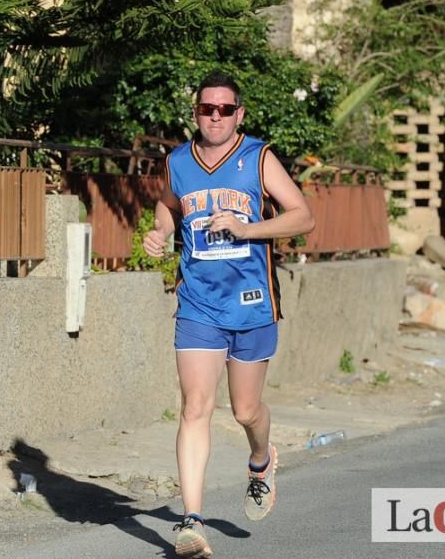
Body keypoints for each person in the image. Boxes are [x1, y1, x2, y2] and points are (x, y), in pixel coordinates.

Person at [142, 71, 315, 558]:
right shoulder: (178, 161)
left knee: (245, 411)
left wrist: (247, 229)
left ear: (238, 114)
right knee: (195, 407)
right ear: (195, 112)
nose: (214, 117)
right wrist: (159, 233)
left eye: (224, 109)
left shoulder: (257, 157)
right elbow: (168, 205)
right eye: (205, 109)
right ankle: (191, 521)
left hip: (253, 303)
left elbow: (303, 215)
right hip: (197, 303)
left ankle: (261, 460)